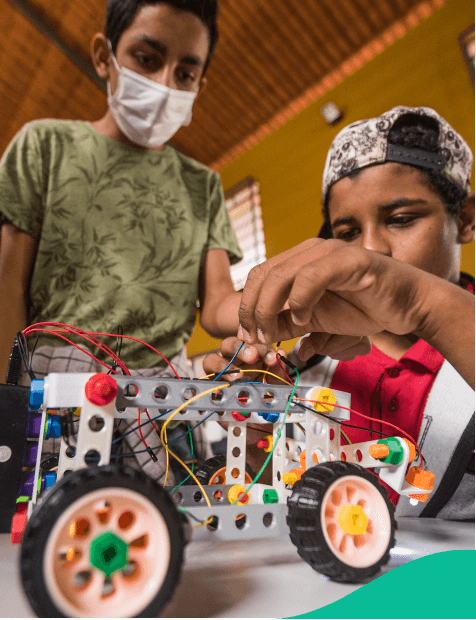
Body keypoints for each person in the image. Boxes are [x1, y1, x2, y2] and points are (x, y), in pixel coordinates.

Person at [0, 0, 277, 483]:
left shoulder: (202, 185)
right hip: (52, 395)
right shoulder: (44, 146)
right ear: (104, 56)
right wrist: (7, 403)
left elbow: (215, 307)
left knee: (161, 533)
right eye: (147, 60)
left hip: (159, 403)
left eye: (185, 73)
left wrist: (280, 302)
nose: (165, 84)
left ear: (199, 85)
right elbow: (7, 288)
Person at [205, 106, 475, 520]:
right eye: (346, 234)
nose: (371, 250)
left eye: (401, 220)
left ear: (466, 221)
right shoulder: (308, 368)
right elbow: (285, 503)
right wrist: (259, 441)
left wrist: (421, 303)